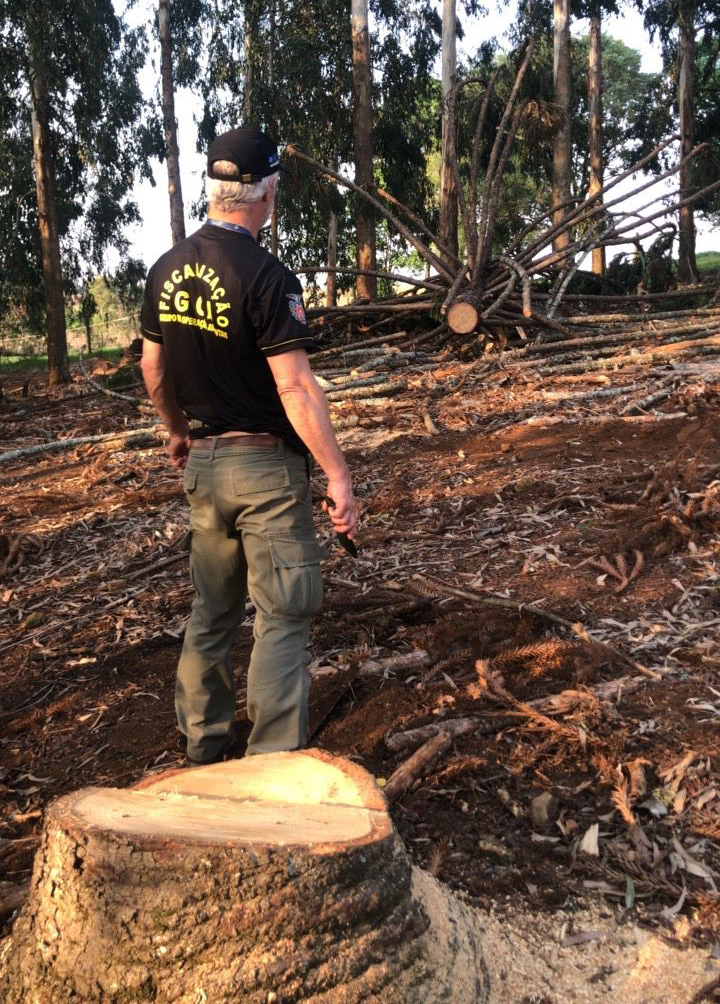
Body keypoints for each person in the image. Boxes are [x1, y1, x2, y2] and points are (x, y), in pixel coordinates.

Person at [140, 127, 357, 764]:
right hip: (265, 467)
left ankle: (203, 748)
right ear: (266, 193)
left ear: (214, 189)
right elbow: (295, 387)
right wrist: (338, 476)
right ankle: (273, 763)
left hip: (204, 468)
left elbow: (153, 369)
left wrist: (177, 430)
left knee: (212, 612)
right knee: (283, 613)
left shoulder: (165, 268)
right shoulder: (266, 276)